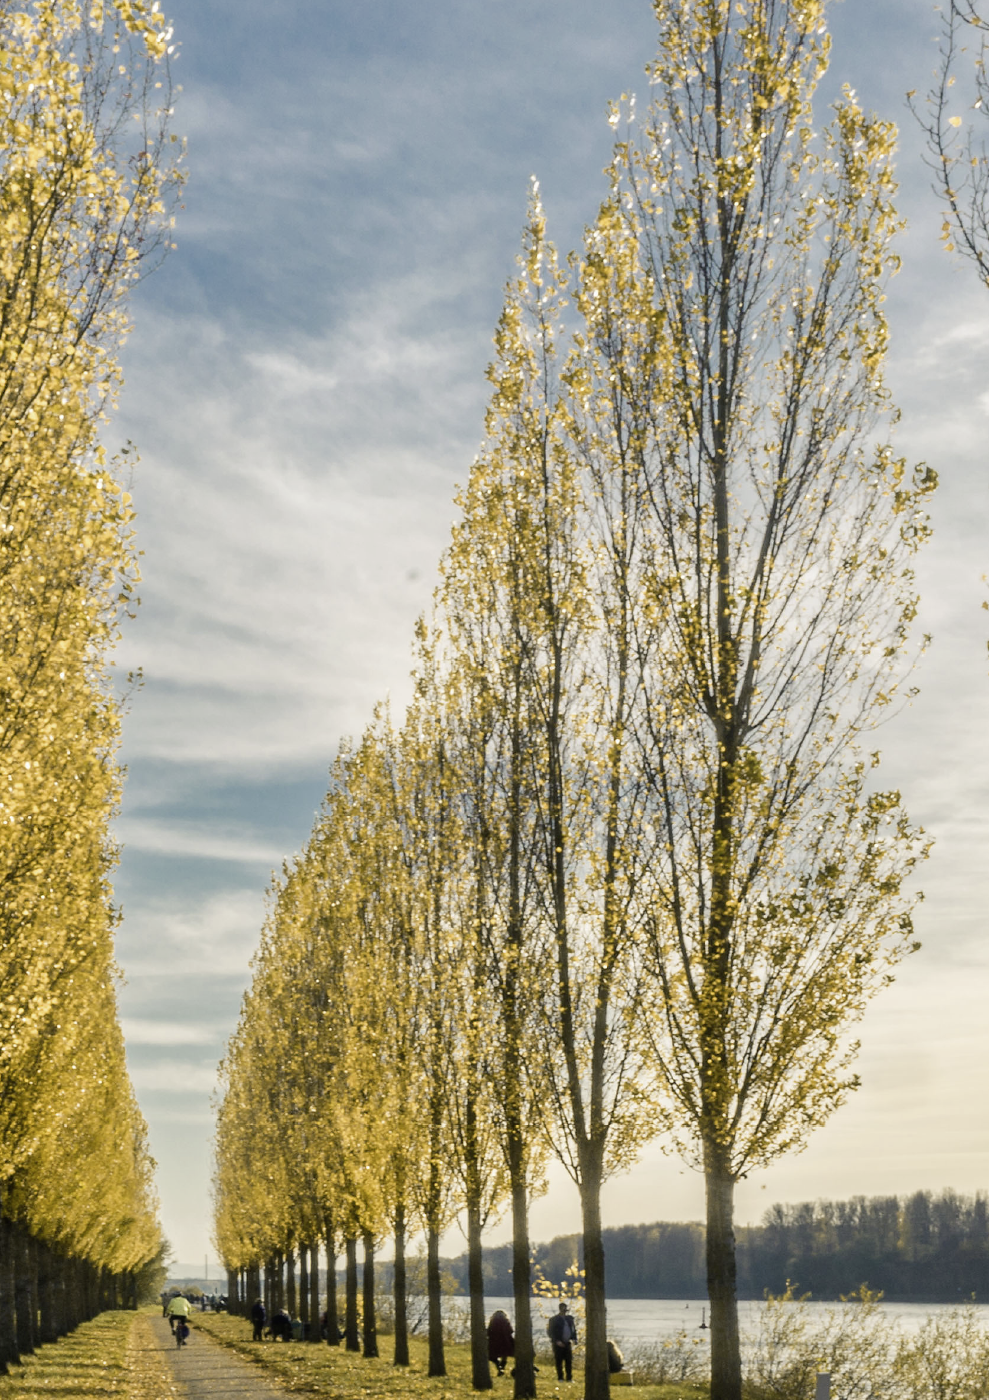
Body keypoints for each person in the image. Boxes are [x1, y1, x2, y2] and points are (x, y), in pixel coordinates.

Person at [546, 1302, 578, 1382]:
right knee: (559, 1361)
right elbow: (550, 1332)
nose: (564, 1312)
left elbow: (573, 1330)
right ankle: (560, 1377)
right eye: (563, 1310)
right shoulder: (554, 1320)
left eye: (565, 1310)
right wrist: (556, 1341)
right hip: (558, 1343)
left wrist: (574, 1338)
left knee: (569, 1361)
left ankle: (569, 1378)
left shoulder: (570, 1319)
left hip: (567, 1342)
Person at [487, 1309, 515, 1376]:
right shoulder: (506, 1322)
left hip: (494, 1343)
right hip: (505, 1343)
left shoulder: (492, 1322)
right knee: (504, 1357)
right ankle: (501, 1368)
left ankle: (499, 1368)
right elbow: (511, 1331)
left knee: (492, 1357)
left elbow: (488, 1333)